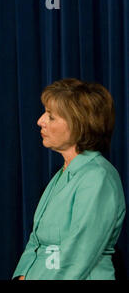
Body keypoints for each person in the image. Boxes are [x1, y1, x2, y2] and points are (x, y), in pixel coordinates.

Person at [13, 78, 126, 280]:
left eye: (51, 117)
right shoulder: (62, 174)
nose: (40, 121)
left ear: (79, 125)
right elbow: (36, 242)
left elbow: (78, 256)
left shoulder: (97, 177)